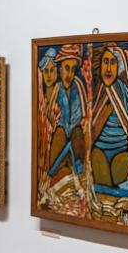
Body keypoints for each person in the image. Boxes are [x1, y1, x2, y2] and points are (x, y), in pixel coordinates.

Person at [91, 45, 128, 196]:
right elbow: (91, 131)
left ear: (118, 68)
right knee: (102, 183)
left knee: (123, 171)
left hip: (120, 151)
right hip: (99, 151)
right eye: (106, 62)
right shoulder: (97, 93)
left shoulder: (124, 94)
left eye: (113, 62)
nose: (109, 68)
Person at [47, 44, 87, 178]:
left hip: (75, 133)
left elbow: (84, 113)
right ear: (60, 70)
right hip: (61, 132)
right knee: (59, 134)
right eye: (67, 68)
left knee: (78, 133)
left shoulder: (79, 87)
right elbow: (50, 115)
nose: (69, 74)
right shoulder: (56, 90)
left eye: (73, 70)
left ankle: (76, 167)